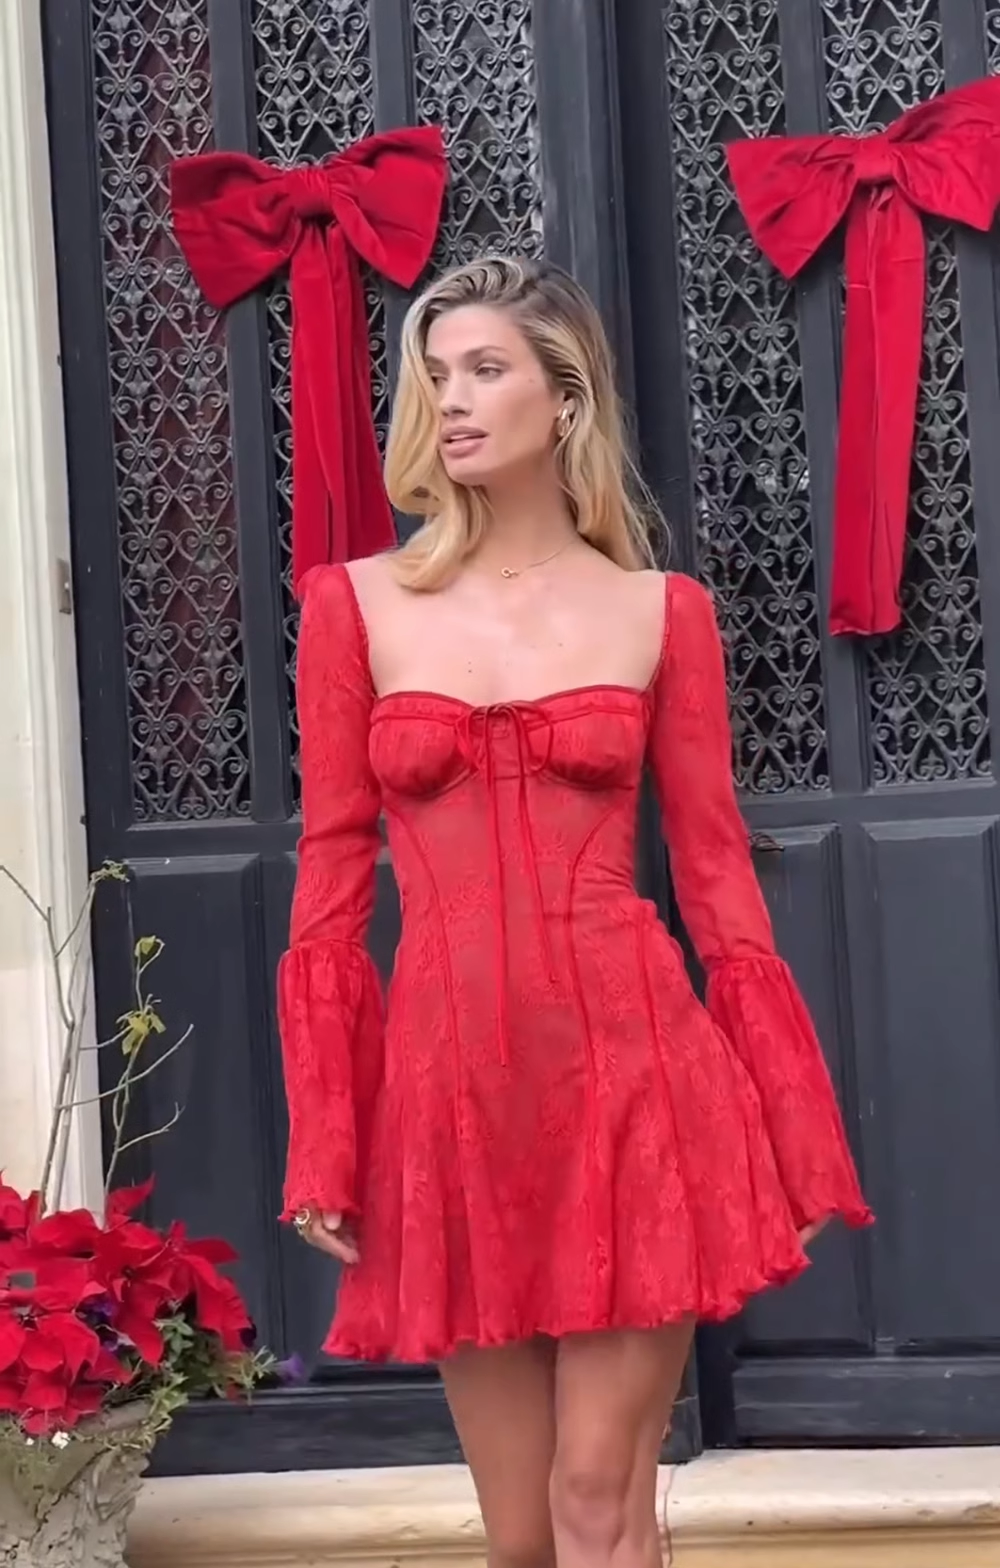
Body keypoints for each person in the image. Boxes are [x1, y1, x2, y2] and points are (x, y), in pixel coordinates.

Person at [277, 256, 871, 1568]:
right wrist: (325, 1129)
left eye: (485, 370)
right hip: (449, 1100)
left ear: (566, 400)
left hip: (634, 1079)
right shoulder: (353, 607)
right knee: (520, 1542)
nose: (451, 401)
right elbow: (329, 882)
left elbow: (717, 885)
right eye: (435, 376)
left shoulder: (662, 613)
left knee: (600, 1503)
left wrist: (798, 1133)